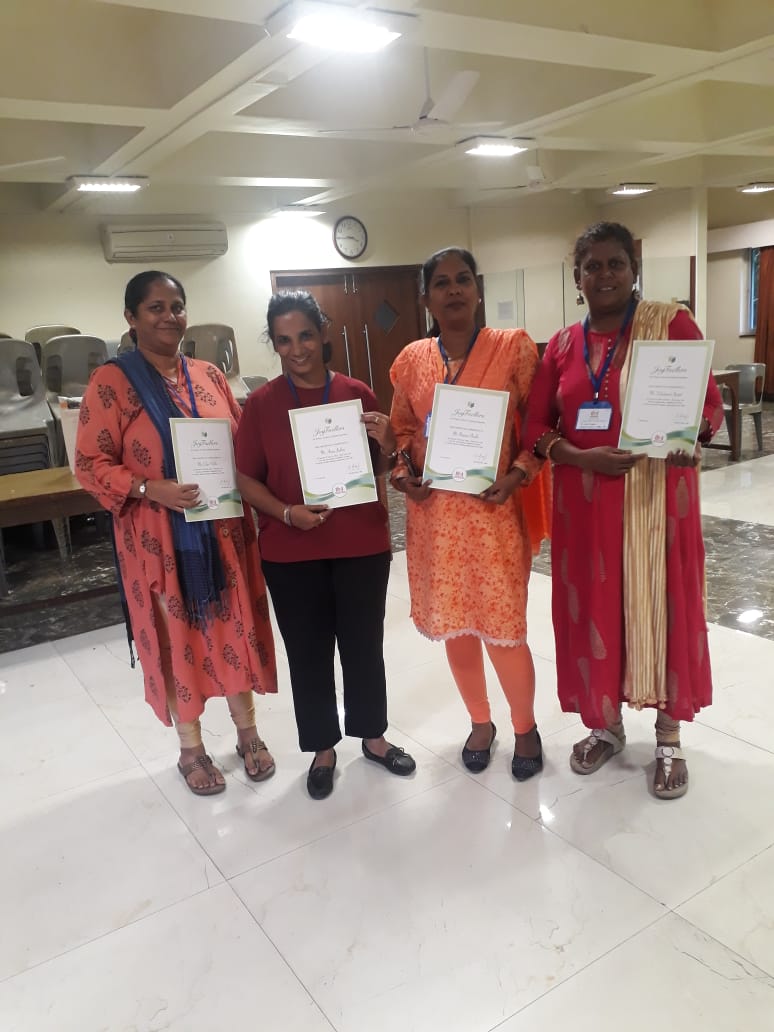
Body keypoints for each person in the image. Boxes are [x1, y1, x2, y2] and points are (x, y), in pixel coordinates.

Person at [524, 221, 724, 799]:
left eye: (616, 263)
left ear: (634, 270)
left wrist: (694, 433)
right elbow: (535, 425)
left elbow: (707, 402)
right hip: (584, 509)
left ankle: (668, 738)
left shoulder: (670, 324)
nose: (605, 275)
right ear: (577, 277)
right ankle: (605, 726)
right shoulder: (562, 346)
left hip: (655, 502)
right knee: (596, 609)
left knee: (661, 605)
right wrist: (576, 456)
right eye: (592, 266)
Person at [75, 271, 278, 796]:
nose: (170, 316)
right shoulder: (111, 383)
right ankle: (191, 748)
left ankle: (248, 733)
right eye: (156, 307)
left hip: (223, 533)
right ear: (131, 317)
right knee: (177, 637)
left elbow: (243, 444)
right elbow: (89, 463)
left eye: (177, 306)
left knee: (231, 626)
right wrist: (149, 487)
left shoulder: (208, 375)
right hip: (157, 539)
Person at [234, 291, 416, 801]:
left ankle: (373, 738)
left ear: (323, 333)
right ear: (274, 343)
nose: (297, 349)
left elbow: (379, 469)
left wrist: (387, 443)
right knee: (308, 654)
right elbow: (245, 479)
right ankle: (322, 749)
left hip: (360, 545)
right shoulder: (262, 405)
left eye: (306, 336)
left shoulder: (357, 393)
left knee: (364, 647)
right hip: (291, 551)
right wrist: (285, 512)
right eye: (284, 340)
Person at [389, 247, 550, 780]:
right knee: (456, 628)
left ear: (478, 290)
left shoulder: (513, 349)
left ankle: (524, 728)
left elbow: (539, 427)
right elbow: (402, 430)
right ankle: (480, 722)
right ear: (426, 299)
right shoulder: (412, 359)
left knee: (504, 629)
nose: (453, 289)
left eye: (462, 279)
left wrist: (518, 475)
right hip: (435, 519)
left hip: (493, 515)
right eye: (441, 283)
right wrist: (404, 476)